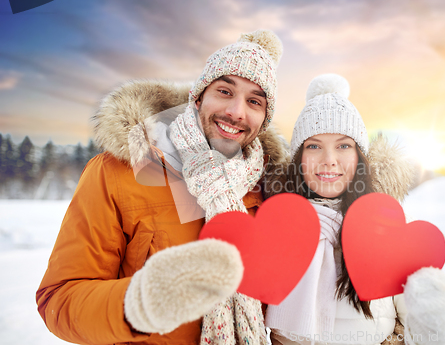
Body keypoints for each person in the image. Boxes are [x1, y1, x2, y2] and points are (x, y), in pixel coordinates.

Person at [36, 30, 287, 345]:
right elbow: (59, 299)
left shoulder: (270, 190)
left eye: (254, 101)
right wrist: (139, 303)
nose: (237, 111)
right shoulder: (122, 171)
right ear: (198, 97)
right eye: (224, 91)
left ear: (263, 119)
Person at [264, 74, 445, 345]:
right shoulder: (276, 227)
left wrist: (431, 322)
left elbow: (413, 332)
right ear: (299, 159)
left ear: (360, 157)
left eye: (343, 145)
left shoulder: (392, 229)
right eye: (314, 146)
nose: (329, 160)